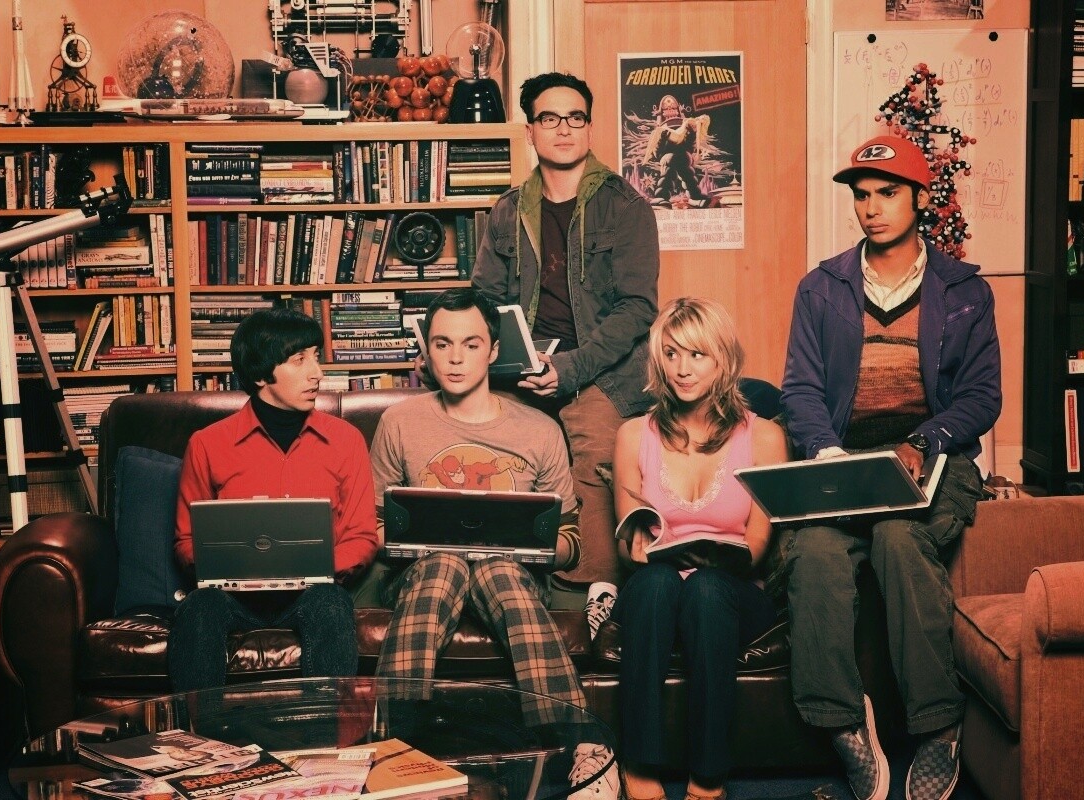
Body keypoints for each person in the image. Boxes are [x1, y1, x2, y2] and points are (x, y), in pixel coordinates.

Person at [780, 135, 1001, 800]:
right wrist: (826, 454)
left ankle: (938, 728)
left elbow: (981, 396)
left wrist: (925, 440)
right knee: (814, 552)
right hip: (844, 459)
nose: (871, 208)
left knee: (899, 537)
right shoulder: (822, 287)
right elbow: (800, 392)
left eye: (887, 193)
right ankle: (846, 727)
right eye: (862, 195)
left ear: (919, 199)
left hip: (935, 459)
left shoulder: (963, 290)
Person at [366, 287, 619, 800]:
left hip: (512, 577)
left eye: (471, 344)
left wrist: (533, 544)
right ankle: (393, 748)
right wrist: (414, 541)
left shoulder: (538, 429)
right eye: (442, 344)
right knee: (445, 565)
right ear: (427, 350)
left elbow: (571, 540)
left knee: (497, 568)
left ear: (494, 350)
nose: (455, 358)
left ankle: (583, 750)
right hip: (421, 575)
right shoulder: (399, 422)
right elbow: (374, 526)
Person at [471, 71, 660, 590]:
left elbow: (638, 308)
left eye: (575, 117)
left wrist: (571, 368)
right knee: (493, 451)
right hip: (522, 369)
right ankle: (505, 582)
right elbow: (484, 300)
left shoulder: (626, 207)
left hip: (603, 372)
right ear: (530, 130)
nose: (563, 128)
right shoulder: (508, 211)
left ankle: (587, 594)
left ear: (589, 128)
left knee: (597, 455)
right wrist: (492, 354)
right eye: (549, 118)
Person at [610, 297, 788, 800]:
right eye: (671, 354)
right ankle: (639, 763)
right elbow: (628, 540)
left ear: (722, 359)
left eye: (696, 354)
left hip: (730, 591)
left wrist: (722, 558)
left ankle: (708, 777)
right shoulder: (632, 435)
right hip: (656, 589)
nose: (682, 369)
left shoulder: (765, 437)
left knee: (708, 588)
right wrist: (639, 548)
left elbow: (758, 544)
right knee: (655, 581)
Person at [168, 308, 378, 691]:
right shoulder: (207, 444)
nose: (317, 372)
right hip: (232, 598)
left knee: (330, 603)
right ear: (262, 375)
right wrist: (239, 568)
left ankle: (325, 728)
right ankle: (197, 727)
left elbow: (362, 536)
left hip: (313, 594)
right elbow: (185, 540)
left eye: (316, 356)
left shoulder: (346, 440)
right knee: (199, 606)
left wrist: (312, 568)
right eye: (300, 360)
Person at [643, 94, 711, 207]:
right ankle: (661, 196)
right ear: (662, 112)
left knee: (686, 168)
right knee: (670, 163)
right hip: (668, 155)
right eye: (666, 109)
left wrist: (691, 131)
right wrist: (665, 136)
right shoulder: (661, 130)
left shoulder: (686, 124)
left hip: (683, 154)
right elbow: (658, 150)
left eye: (673, 108)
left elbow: (689, 145)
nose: (670, 110)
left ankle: (695, 196)